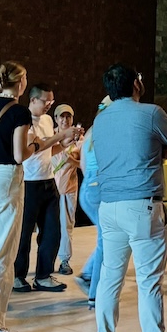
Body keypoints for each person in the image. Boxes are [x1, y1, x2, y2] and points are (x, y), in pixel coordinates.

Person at [91, 64, 167, 332]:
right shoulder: (151, 113)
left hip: (109, 206)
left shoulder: (100, 118)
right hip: (142, 206)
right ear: (135, 83)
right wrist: (157, 150)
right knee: (149, 282)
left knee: (110, 278)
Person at [0, 61, 69, 332]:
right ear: (21, 83)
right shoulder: (20, 111)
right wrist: (43, 143)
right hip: (4, 181)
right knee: (1, 253)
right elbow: (19, 154)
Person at [13, 84, 77, 293]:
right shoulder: (24, 121)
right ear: (33, 100)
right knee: (24, 234)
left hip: (49, 181)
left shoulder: (48, 120)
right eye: (45, 101)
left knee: (52, 231)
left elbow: (49, 150)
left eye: (51, 101)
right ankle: (17, 275)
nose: (49, 105)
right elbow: (33, 149)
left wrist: (66, 141)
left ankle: (43, 275)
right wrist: (60, 136)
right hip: (29, 183)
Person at [74, 95, 112, 308]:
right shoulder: (106, 131)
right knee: (107, 241)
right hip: (99, 190)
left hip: (88, 189)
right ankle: (94, 291)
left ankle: (89, 276)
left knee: (106, 240)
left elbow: (83, 164)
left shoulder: (91, 130)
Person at [51, 103, 83, 276]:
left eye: (68, 116)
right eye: (61, 116)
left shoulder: (79, 140)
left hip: (68, 188)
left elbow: (86, 166)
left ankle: (64, 260)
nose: (65, 119)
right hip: (49, 188)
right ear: (56, 118)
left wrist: (74, 162)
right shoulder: (49, 137)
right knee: (47, 227)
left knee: (66, 225)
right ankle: (46, 261)